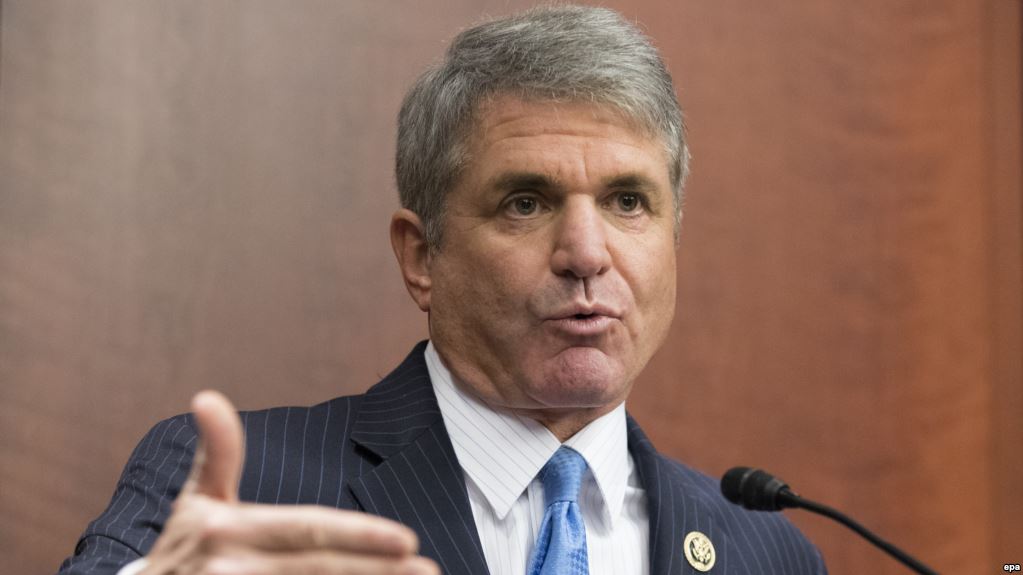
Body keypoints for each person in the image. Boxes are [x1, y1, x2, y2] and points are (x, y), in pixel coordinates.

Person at [59, 5, 827, 574]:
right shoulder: (243, 484)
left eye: (628, 201)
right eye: (525, 202)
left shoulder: (765, 548)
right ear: (421, 255)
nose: (587, 252)